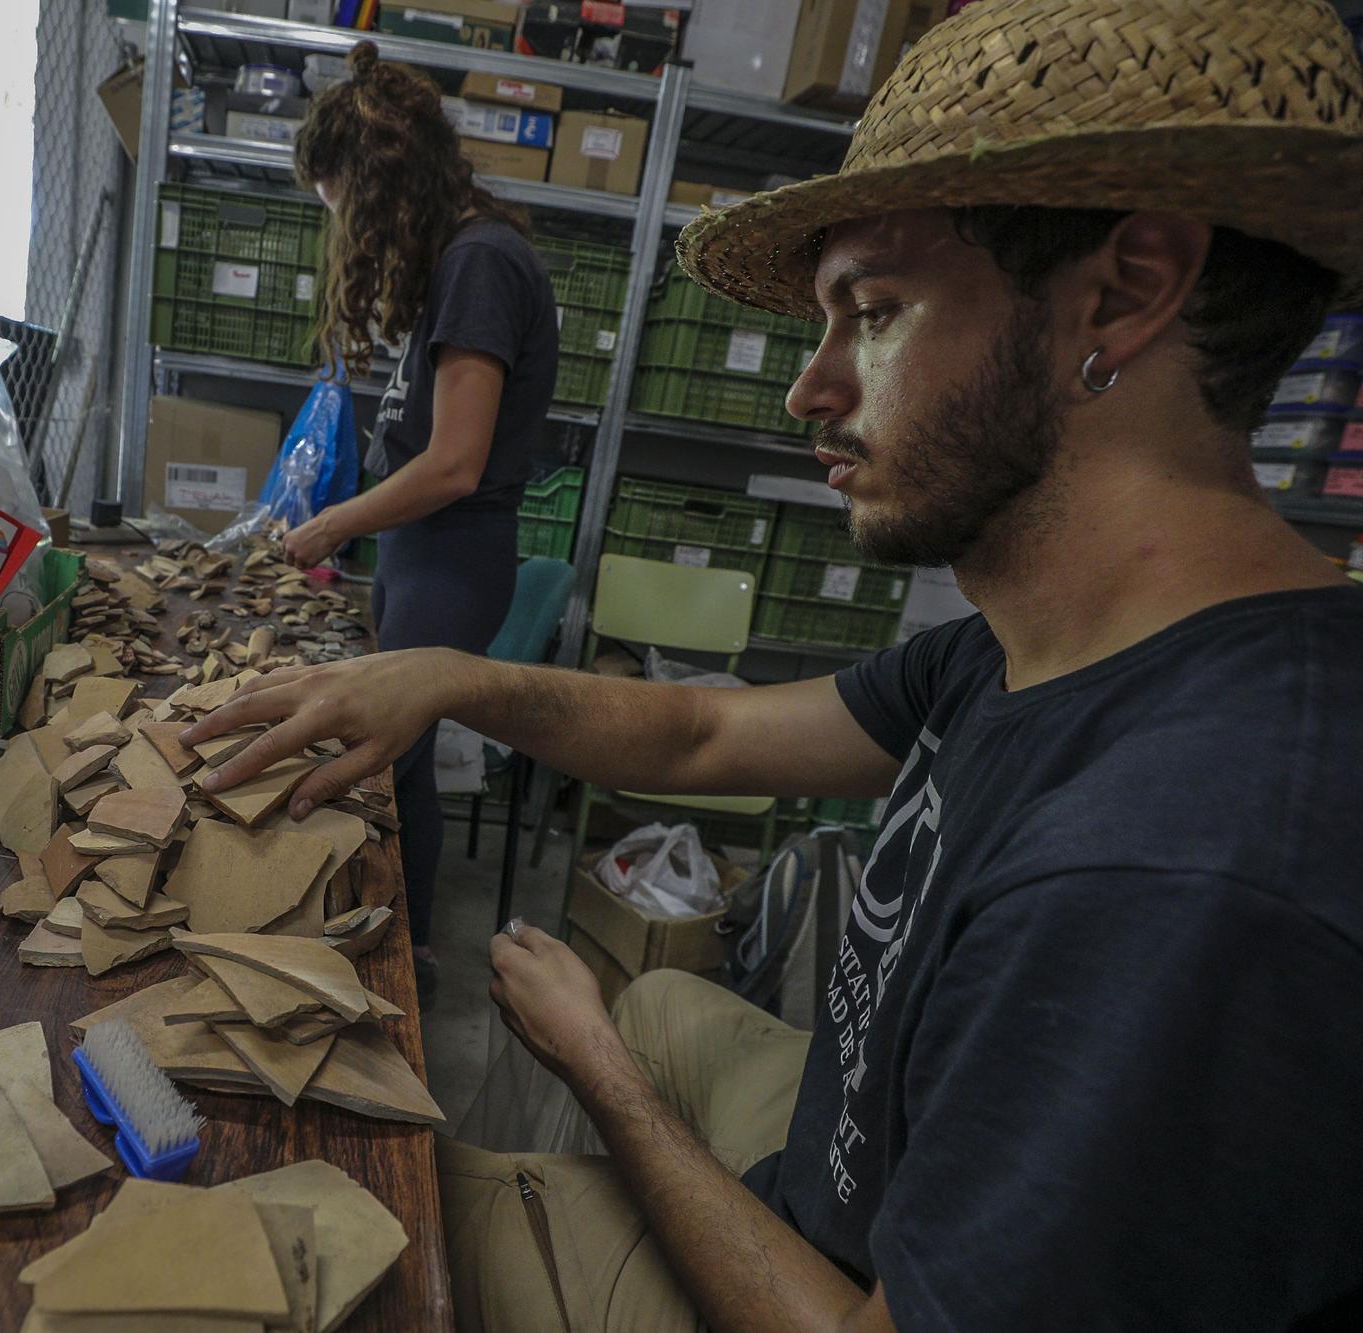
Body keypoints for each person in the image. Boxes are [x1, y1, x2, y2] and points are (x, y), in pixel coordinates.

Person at [185, 0, 1363, 1327]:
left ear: (1128, 289)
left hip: (841, 1279)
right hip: (843, 1161)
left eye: (873, 310)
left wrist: (597, 1069)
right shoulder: (1039, 647)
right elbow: (706, 739)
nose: (810, 387)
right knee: (671, 993)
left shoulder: (1180, 868)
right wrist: (453, 680)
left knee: (355, 1236)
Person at [281, 41, 561, 1006]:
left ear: (378, 185)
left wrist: (331, 528)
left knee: (382, 760)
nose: (344, 231)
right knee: (400, 768)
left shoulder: (481, 263)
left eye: (341, 206)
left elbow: (454, 463)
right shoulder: (456, 258)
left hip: (452, 551)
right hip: (418, 554)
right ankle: (408, 942)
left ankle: (401, 961)